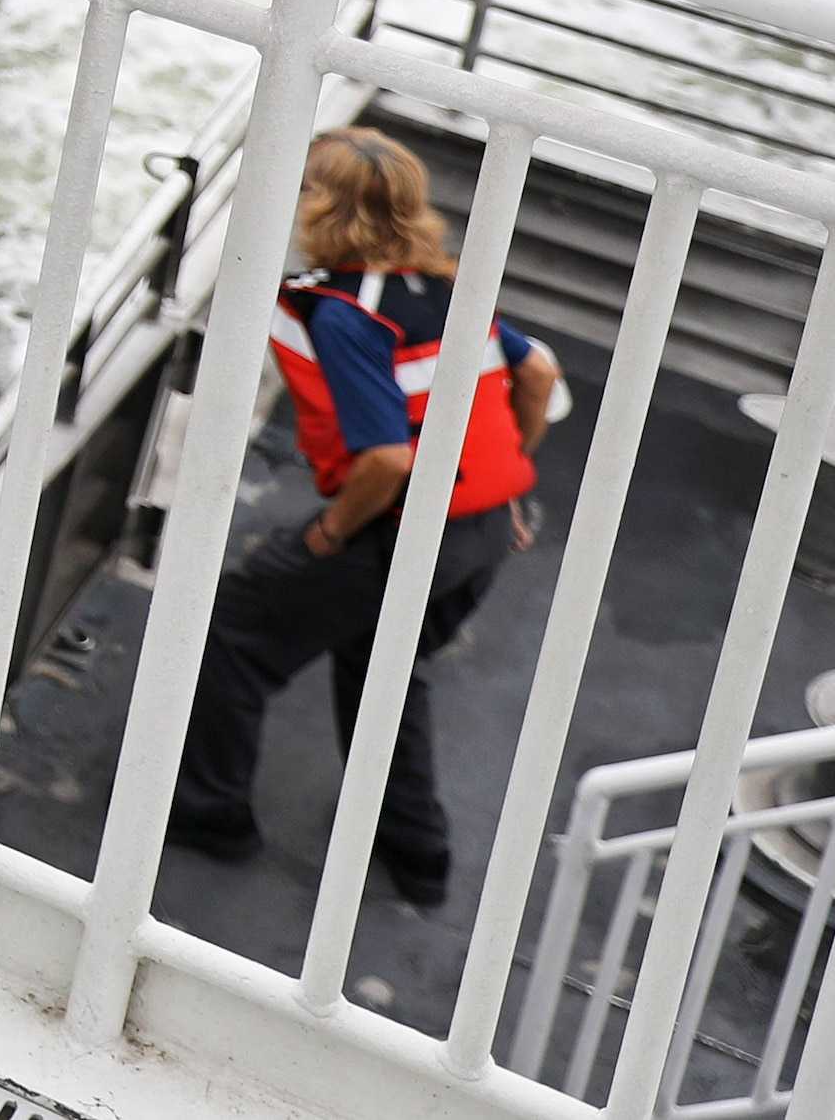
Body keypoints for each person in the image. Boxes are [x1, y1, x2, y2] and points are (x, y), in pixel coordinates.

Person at [169, 123, 564, 906]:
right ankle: (419, 854)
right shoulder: (444, 288)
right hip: (482, 536)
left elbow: (386, 459)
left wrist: (328, 532)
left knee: (236, 635)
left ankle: (211, 816)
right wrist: (504, 485)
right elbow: (538, 371)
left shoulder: (346, 312)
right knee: (382, 666)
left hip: (395, 533)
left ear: (322, 204)